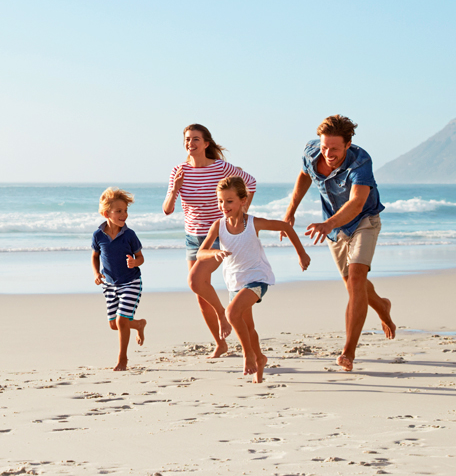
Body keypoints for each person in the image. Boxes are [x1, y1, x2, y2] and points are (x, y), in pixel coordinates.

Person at [281, 115, 395, 372]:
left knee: (356, 280)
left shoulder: (360, 161)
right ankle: (382, 305)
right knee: (353, 286)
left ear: (348, 144)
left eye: (334, 148)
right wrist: (290, 211)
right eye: (324, 147)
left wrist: (327, 225)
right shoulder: (312, 152)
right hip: (335, 227)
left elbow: (356, 203)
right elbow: (305, 175)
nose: (328, 153)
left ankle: (348, 352)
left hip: (364, 221)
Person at [196, 176, 309, 383]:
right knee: (248, 327)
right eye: (220, 201)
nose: (224, 206)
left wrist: (302, 254)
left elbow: (286, 227)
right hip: (235, 282)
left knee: (231, 313)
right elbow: (200, 253)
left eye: (229, 201)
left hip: (257, 278)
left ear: (243, 200)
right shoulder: (218, 226)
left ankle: (248, 355)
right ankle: (260, 358)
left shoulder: (253, 223)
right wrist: (214, 254)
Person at [162, 124, 257, 358]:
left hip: (217, 235)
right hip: (192, 238)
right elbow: (167, 209)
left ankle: (224, 315)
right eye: (187, 139)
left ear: (206, 143)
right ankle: (221, 343)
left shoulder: (221, 168)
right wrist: (174, 190)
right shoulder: (178, 171)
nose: (190, 143)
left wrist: (239, 215)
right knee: (200, 293)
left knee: (195, 281)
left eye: (195, 139)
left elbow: (251, 183)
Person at [91, 187, 148, 371]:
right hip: (109, 284)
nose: (124, 215)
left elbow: (141, 258)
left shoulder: (129, 235)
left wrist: (134, 262)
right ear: (107, 213)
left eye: (126, 211)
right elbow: (95, 256)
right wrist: (96, 273)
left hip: (131, 282)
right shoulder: (98, 235)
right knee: (114, 325)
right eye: (119, 211)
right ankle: (139, 324)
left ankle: (122, 359)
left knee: (122, 320)